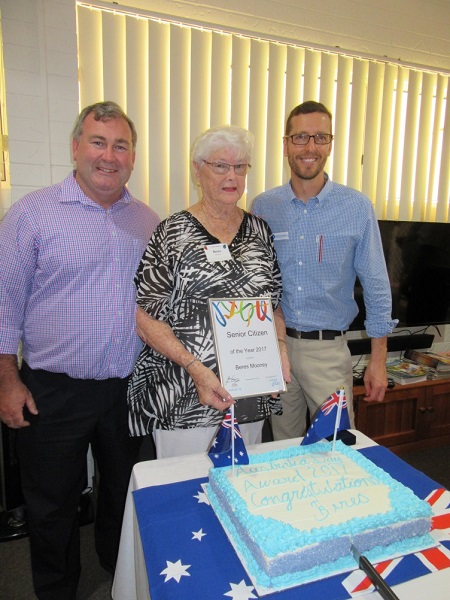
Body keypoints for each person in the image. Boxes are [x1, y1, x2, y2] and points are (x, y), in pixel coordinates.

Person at [0, 101, 160, 599]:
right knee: (51, 505)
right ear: (75, 147)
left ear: (133, 155)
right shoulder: (32, 213)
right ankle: (56, 591)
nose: (108, 156)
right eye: (97, 142)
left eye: (120, 145)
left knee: (121, 494)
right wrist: (7, 380)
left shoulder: (147, 221)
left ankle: (120, 578)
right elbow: (4, 301)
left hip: (127, 390)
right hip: (52, 391)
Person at [127, 125, 290, 458]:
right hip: (185, 396)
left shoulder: (259, 231)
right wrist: (195, 369)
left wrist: (281, 352)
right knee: (186, 495)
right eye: (220, 165)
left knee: (242, 488)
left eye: (240, 166)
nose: (231, 175)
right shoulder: (171, 233)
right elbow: (143, 316)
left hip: (249, 394)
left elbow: (272, 305)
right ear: (197, 171)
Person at [252, 100, 397, 441]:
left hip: (328, 352)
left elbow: (376, 283)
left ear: (330, 144)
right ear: (286, 143)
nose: (310, 147)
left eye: (320, 137)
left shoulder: (356, 206)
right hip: (277, 348)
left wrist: (378, 360)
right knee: (282, 450)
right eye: (300, 137)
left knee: (336, 448)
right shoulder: (263, 206)